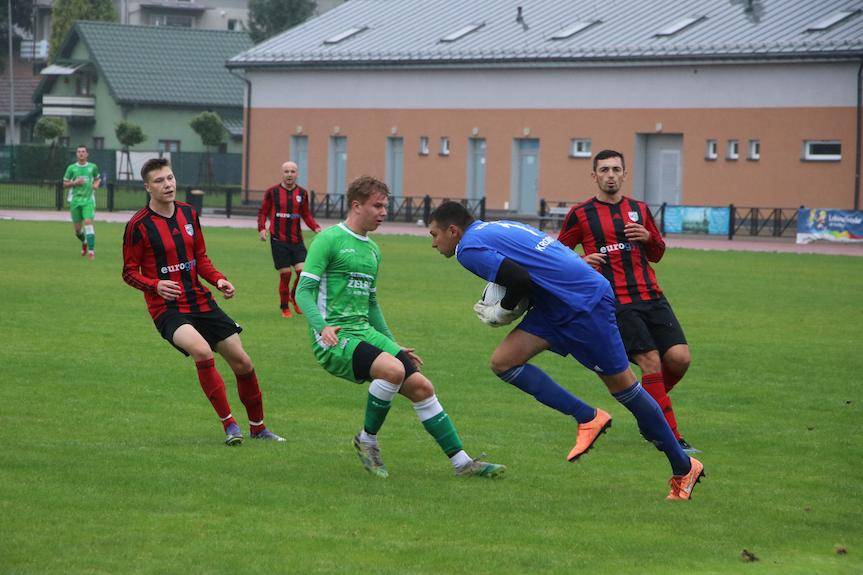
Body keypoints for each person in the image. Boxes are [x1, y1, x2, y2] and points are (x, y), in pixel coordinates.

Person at [427, 201, 704, 500]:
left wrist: (502, 312)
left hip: (583, 304)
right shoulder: (496, 226)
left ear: (453, 231)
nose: (433, 243)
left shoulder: (467, 249)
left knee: (625, 388)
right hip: (555, 302)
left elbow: (519, 279)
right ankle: (588, 417)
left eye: (434, 235)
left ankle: (683, 466)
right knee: (503, 362)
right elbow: (543, 255)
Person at [294, 176, 505, 479]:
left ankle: (463, 463)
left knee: (422, 386)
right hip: (335, 337)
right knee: (393, 371)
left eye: (385, 206)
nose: (383, 212)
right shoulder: (328, 240)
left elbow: (371, 305)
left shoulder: (373, 250)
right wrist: (321, 326)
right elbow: (303, 291)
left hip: (364, 333)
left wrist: (393, 344)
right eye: (377, 206)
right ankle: (367, 440)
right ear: (356, 205)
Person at [122, 157, 284, 446]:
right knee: (202, 353)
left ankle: (258, 428)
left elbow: (201, 259)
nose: (167, 184)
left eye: (170, 178)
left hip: (200, 300)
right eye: (159, 181)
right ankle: (230, 425)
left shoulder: (188, 213)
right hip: (167, 309)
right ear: (148, 187)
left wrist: (219, 279)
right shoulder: (138, 225)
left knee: (243, 363)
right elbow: (129, 272)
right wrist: (155, 285)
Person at [557, 149, 698, 453]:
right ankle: (670, 438)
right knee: (651, 362)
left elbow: (658, 254)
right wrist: (582, 261)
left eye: (616, 169)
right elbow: (557, 256)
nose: (610, 175)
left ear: (624, 174)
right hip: (615, 300)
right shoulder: (581, 214)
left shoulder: (640, 209)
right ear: (594, 176)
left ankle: (648, 411)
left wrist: (648, 237)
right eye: (604, 170)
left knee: (680, 359)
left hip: (652, 296)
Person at [258, 161, 322, 318]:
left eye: (292, 171)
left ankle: (294, 297)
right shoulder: (272, 192)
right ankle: (284, 307)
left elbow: (306, 214)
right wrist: (261, 228)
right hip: (278, 239)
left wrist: (316, 228)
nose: (289, 174)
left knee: (303, 272)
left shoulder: (302, 193)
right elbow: (263, 212)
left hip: (296, 240)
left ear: (297, 174)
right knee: (286, 274)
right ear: (282, 173)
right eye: (286, 171)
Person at [63, 145, 100, 260]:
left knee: (88, 222)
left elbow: (97, 178)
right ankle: (84, 242)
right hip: (75, 201)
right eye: (79, 152)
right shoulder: (71, 168)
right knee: (78, 230)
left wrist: (95, 185)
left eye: (83, 151)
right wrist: (74, 183)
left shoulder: (93, 167)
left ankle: (91, 251)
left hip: (88, 200)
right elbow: (64, 184)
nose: (81, 153)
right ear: (76, 154)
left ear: (87, 154)